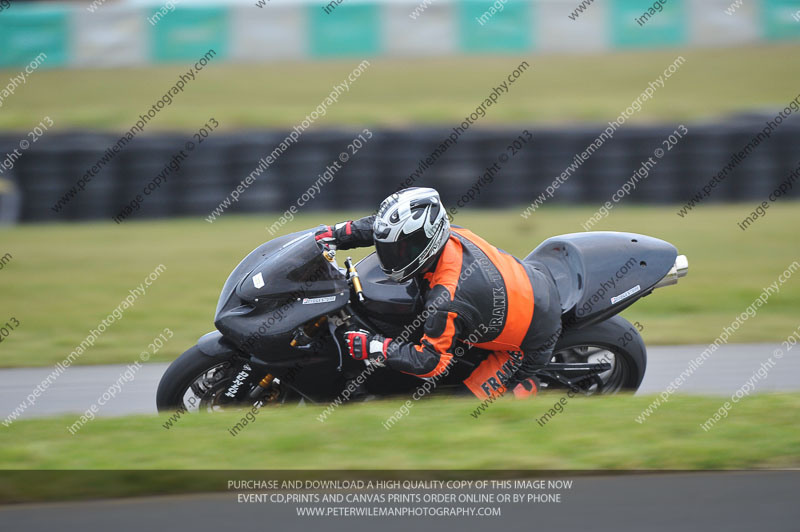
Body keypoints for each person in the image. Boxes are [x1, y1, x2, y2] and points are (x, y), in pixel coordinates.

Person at [315, 187, 562, 400]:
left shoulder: (447, 298)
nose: (391, 255)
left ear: (426, 245)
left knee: (464, 410)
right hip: (525, 286)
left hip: (531, 339)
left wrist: (375, 346)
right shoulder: (442, 234)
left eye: (400, 249)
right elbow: (383, 228)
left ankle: (526, 387)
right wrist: (336, 233)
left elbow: (431, 363)